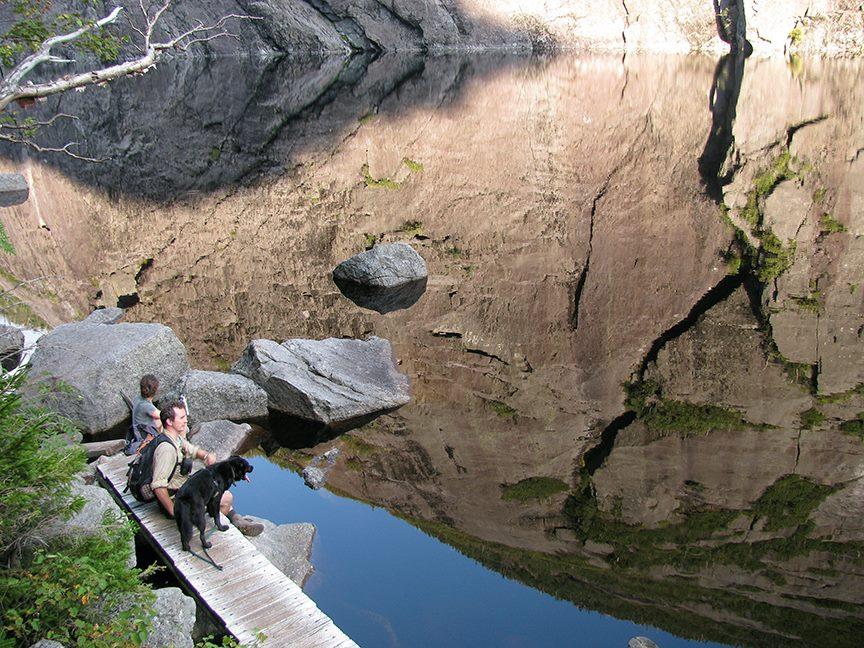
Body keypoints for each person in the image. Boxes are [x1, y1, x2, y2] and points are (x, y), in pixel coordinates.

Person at [151, 400, 263, 537]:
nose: (186, 421)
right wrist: (174, 512)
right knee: (226, 497)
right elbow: (158, 486)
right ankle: (224, 523)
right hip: (178, 500)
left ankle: (236, 519)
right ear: (169, 422)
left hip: (182, 489)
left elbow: (189, 449)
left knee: (213, 488)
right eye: (182, 418)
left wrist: (205, 456)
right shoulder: (166, 449)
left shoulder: (173, 438)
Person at [130, 374, 161, 454]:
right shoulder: (146, 406)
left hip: (137, 431)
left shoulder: (138, 398)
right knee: (161, 421)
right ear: (155, 390)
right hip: (142, 437)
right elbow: (162, 415)